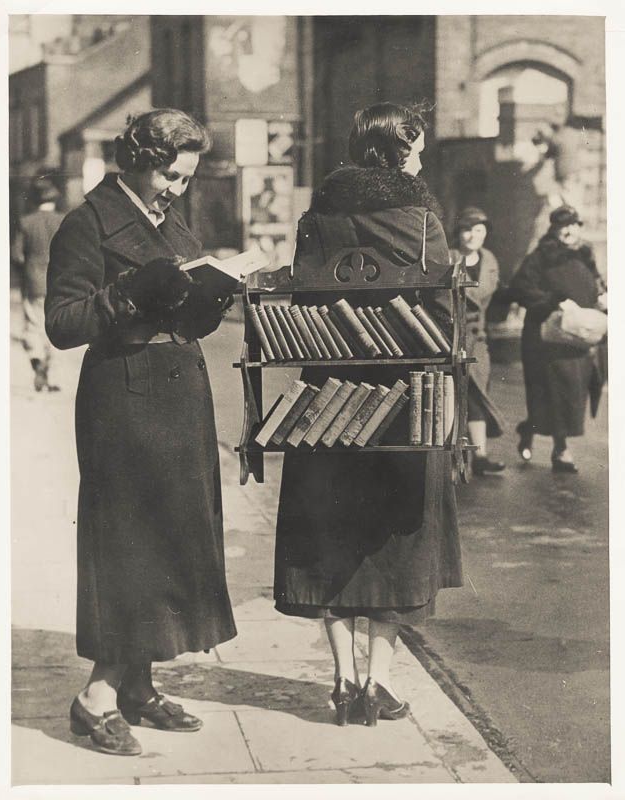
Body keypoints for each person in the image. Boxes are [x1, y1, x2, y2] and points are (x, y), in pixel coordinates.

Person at [45, 109, 239, 756]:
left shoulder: (173, 222)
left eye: (184, 179)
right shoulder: (86, 223)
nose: (175, 190)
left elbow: (182, 307)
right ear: (136, 159)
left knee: (174, 537)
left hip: (180, 396)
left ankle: (139, 684)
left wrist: (210, 299)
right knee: (127, 544)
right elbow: (63, 323)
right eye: (168, 177)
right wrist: (128, 291)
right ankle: (96, 696)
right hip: (123, 402)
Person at [273, 102, 463, 727]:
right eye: (419, 146)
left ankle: (342, 681)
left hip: (326, 402)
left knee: (329, 536)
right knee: (399, 545)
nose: (424, 156)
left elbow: (302, 297)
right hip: (405, 400)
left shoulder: (317, 216)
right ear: (400, 150)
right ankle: (377, 685)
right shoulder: (421, 218)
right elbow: (440, 316)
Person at [510, 205, 606, 473]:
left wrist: (602, 297)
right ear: (553, 229)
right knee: (554, 392)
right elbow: (520, 288)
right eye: (563, 225)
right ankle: (560, 450)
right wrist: (551, 302)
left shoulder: (585, 254)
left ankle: (531, 430)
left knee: (573, 393)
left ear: (579, 228)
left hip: (578, 336)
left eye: (574, 224)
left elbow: (597, 283)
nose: (568, 230)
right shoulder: (541, 256)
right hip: (547, 337)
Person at [450, 207, 506, 476]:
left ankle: (480, 455)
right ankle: (460, 455)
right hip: (451, 337)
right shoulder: (449, 257)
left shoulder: (490, 259)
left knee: (479, 396)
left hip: (479, 339)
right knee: (457, 396)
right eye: (467, 229)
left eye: (479, 230)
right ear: (459, 233)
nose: (473, 236)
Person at [12, 177, 64, 391]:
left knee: (34, 323)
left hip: (34, 281)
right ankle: (48, 368)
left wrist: (25, 272)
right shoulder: (63, 220)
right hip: (59, 282)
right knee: (54, 325)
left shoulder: (26, 222)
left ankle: (37, 362)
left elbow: (17, 255)